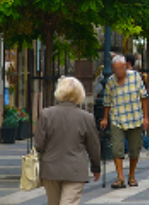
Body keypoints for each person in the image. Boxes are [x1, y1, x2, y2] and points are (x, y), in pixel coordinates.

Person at [37, 76, 102, 205]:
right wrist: (96, 167)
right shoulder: (86, 117)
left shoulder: (46, 114)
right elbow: (93, 146)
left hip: (50, 169)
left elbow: (39, 144)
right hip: (75, 169)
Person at [98, 54, 149, 188]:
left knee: (134, 149)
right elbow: (107, 101)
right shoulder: (111, 81)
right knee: (116, 148)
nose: (118, 72)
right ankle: (120, 177)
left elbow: (144, 97)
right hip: (117, 118)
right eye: (115, 69)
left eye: (120, 68)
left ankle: (131, 175)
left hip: (135, 118)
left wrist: (145, 117)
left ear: (125, 66)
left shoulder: (135, 77)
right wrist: (105, 118)